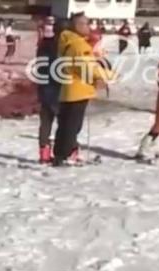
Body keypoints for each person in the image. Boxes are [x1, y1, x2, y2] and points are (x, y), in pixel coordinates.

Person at [53, 13, 111, 167]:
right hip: (78, 89)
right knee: (72, 125)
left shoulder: (67, 41)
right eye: (86, 24)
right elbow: (87, 68)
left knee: (65, 124)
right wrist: (108, 76)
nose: (89, 27)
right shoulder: (79, 45)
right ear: (77, 26)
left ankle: (62, 154)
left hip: (68, 88)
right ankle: (64, 156)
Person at [35, 16, 61, 164]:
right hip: (57, 87)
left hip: (45, 85)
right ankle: (67, 150)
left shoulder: (43, 44)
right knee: (65, 121)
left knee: (46, 121)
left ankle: (44, 152)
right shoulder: (61, 45)